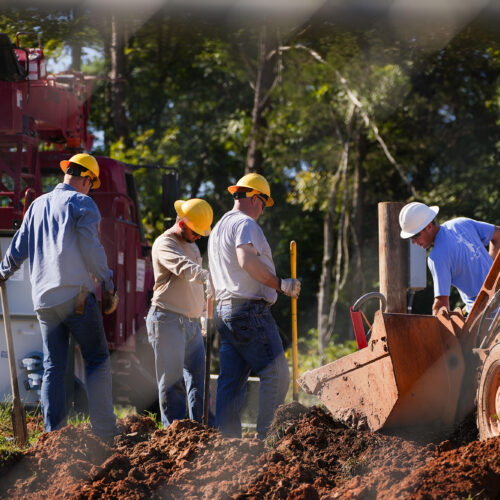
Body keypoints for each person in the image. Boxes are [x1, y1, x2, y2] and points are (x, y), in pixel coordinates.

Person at [0, 153, 119, 439]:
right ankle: (105, 430)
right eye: (92, 183)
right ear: (87, 179)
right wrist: (108, 284)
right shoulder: (82, 203)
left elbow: (17, 250)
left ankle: (53, 434)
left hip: (43, 299)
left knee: (54, 364)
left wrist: (2, 273)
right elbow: (91, 248)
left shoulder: (38, 205)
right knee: (97, 358)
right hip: (75, 295)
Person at [208, 173, 301, 440]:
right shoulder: (245, 224)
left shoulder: (217, 230)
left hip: (226, 311)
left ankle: (227, 444)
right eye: (263, 202)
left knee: (230, 382)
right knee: (277, 375)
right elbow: (246, 261)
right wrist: (280, 284)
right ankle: (267, 439)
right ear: (253, 198)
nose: (262, 209)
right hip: (249, 311)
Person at [146, 198, 215, 428]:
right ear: (183, 223)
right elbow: (185, 269)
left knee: (198, 381)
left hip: (192, 323)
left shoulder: (193, 244)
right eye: (196, 232)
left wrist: (203, 313)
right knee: (172, 382)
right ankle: (174, 435)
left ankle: (200, 431)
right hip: (167, 319)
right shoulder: (165, 244)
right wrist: (208, 276)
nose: (199, 237)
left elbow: (196, 286)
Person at [399, 201, 500, 315]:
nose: (413, 242)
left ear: (429, 226)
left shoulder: (437, 257)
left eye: (415, 236)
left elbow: (441, 305)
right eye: (410, 238)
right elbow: (498, 235)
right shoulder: (461, 223)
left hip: (487, 317)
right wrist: (493, 272)